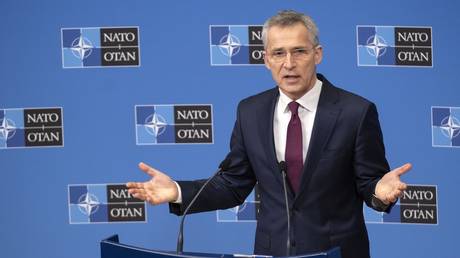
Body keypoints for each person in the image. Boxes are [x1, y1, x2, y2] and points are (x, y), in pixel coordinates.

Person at [127, 10, 411, 258]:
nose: (289, 63)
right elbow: (233, 183)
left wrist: (380, 192)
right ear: (266, 60)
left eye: (299, 51)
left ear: (318, 54)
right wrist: (176, 191)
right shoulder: (250, 111)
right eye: (278, 53)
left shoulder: (355, 112)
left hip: (337, 253)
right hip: (272, 252)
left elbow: (370, 182)